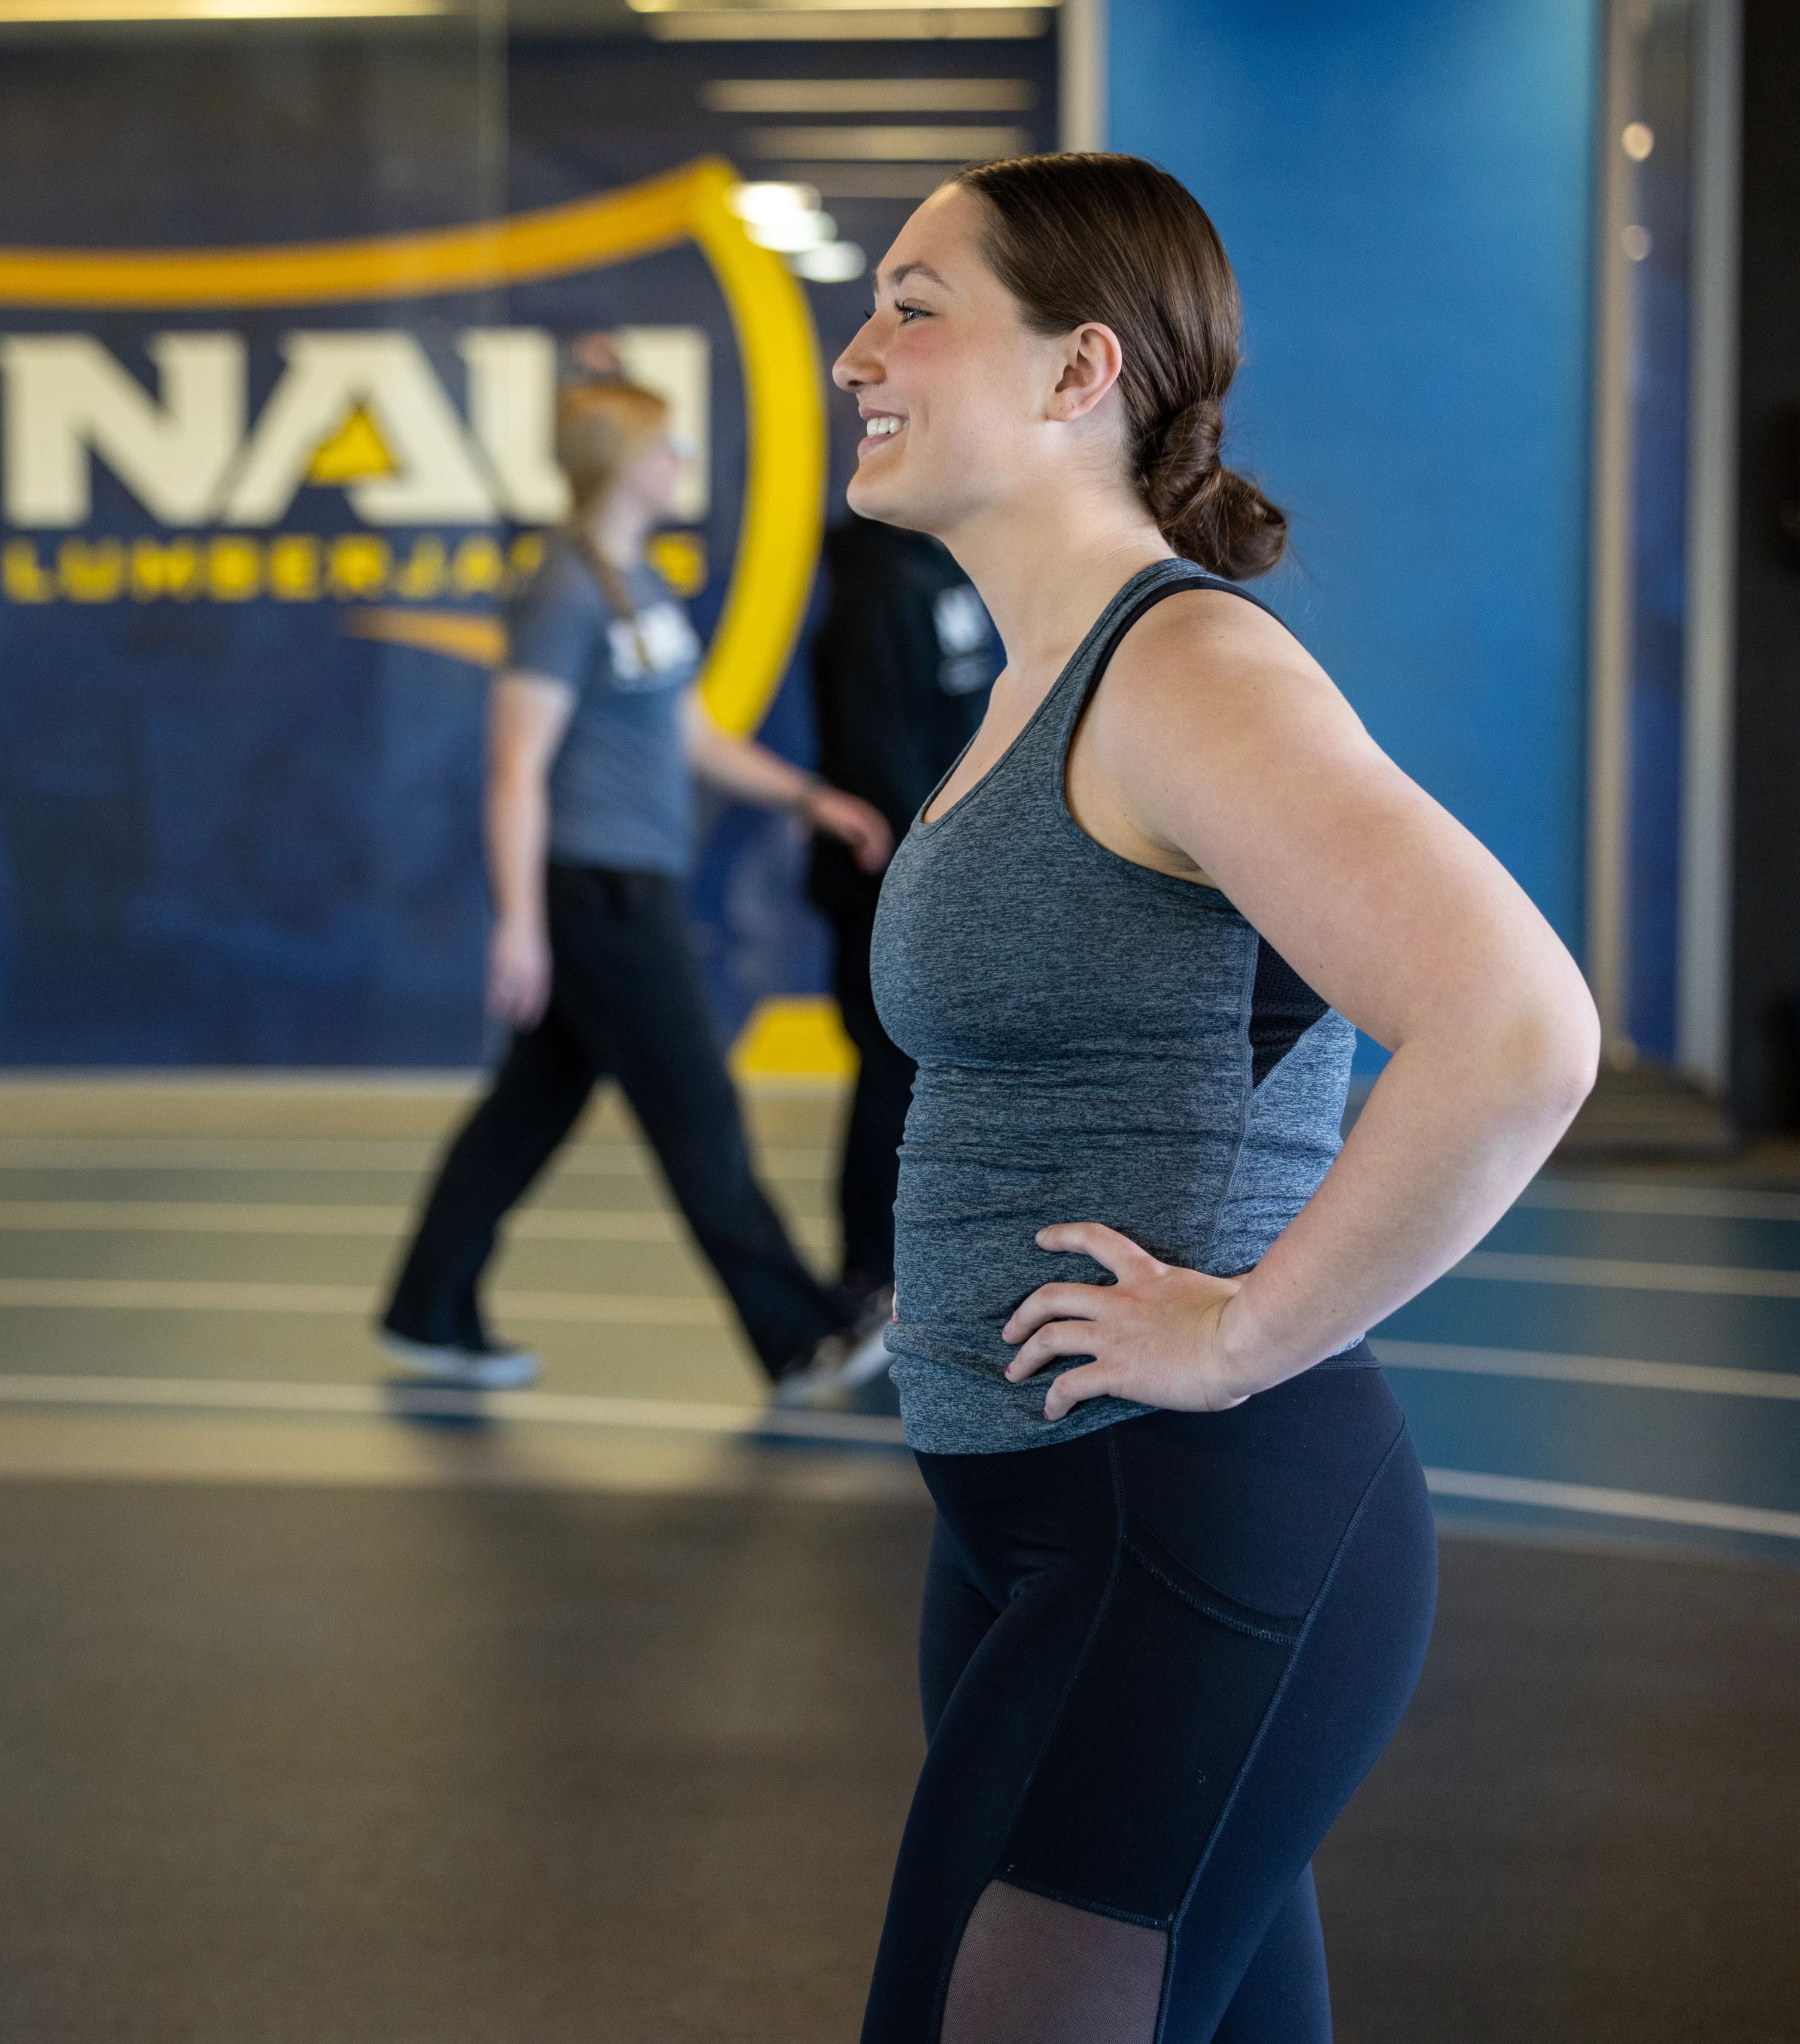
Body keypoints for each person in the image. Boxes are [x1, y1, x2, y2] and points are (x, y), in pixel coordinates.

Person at [833, 156, 1597, 2042]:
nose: (860, 350)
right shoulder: (1036, 687)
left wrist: (1247, 1330)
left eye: (916, 303)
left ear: (1081, 369)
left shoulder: (1188, 672)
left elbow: (1517, 1028)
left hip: (1183, 1517)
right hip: (1025, 1516)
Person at [379, 376, 896, 1402]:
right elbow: (515, 767)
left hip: (626, 886)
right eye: (668, 453)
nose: (680, 471)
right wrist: (521, 927)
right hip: (596, 893)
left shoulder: (638, 583)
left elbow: (693, 735)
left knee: (524, 1113)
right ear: (624, 467)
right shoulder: (563, 590)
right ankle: (800, 1337)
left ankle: (425, 1310)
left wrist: (810, 799)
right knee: (697, 1109)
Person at [785, 515, 998, 1404]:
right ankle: (873, 1273)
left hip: (953, 863)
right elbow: (877, 756)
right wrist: (938, 861)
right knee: (890, 1068)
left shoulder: (955, 573)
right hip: (894, 878)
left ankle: (935, 1262)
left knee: (934, 1075)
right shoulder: (879, 592)